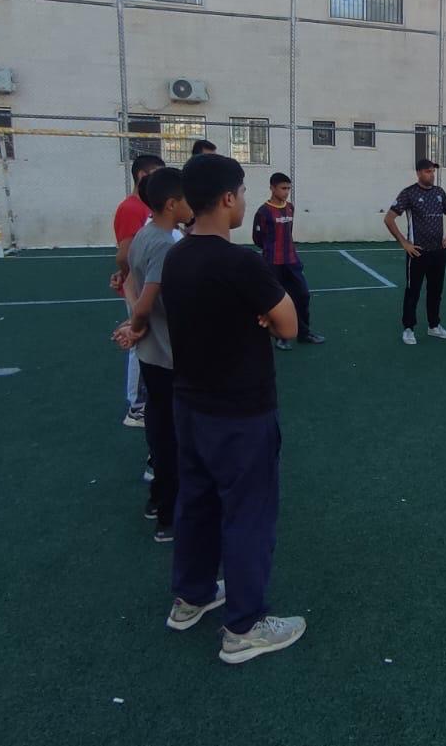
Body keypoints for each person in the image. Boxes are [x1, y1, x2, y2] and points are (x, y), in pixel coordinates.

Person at [160, 153, 306, 664]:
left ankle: (192, 595)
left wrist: (258, 311)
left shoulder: (177, 257)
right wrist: (262, 312)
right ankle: (244, 626)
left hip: (190, 404)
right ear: (227, 198)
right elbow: (288, 324)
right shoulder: (240, 262)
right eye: (242, 192)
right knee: (248, 514)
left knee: (197, 502)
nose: (244, 200)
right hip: (240, 411)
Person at [112, 167, 190, 543]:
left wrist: (136, 321)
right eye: (187, 200)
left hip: (152, 353)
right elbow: (147, 295)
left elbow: (128, 278)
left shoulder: (145, 235)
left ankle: (158, 500)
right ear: (172, 204)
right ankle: (170, 516)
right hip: (167, 353)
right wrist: (137, 323)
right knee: (173, 434)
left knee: (159, 429)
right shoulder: (163, 245)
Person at [110, 153, 165, 428]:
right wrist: (129, 277)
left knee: (145, 340)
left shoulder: (145, 207)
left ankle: (140, 402)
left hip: (145, 287)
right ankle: (137, 404)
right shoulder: (132, 208)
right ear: (143, 177)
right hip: (141, 289)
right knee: (140, 341)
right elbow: (126, 253)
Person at [385, 158, 446, 345]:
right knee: (413, 291)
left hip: (438, 252)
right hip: (417, 253)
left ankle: (434, 326)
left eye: (433, 171)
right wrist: (405, 243)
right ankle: (408, 328)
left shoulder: (439, 192)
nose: (431, 175)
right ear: (418, 173)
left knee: (435, 291)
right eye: (427, 171)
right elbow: (389, 219)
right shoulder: (409, 193)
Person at [252, 173, 324, 350]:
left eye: (288, 188)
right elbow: (258, 238)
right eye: (283, 188)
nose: (286, 192)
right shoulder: (263, 211)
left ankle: (304, 333)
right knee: (277, 300)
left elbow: (288, 233)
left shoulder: (290, 207)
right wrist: (271, 250)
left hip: (291, 261)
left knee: (303, 295)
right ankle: (281, 337)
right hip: (272, 263)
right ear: (272, 188)